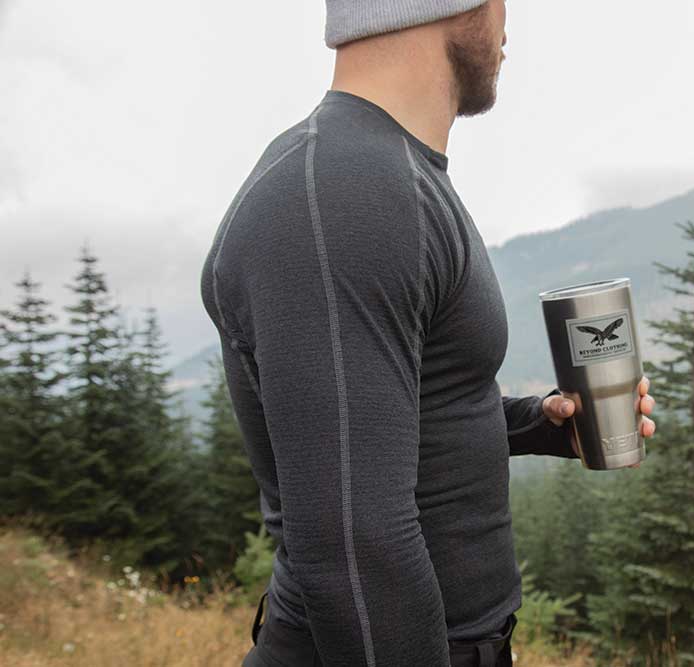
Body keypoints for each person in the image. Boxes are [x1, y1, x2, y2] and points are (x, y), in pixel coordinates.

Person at [199, 1, 657, 665]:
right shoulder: (339, 188)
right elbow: (356, 548)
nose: (509, 26)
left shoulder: (385, 171)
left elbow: (389, 421)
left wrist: (540, 423)